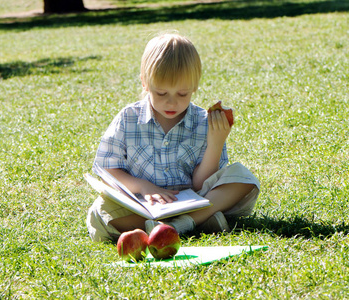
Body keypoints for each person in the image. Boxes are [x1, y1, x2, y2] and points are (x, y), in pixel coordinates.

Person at [87, 32, 260, 242]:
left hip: (193, 199)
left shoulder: (203, 122)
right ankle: (200, 221)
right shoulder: (128, 118)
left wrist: (216, 142)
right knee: (99, 213)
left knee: (243, 179)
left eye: (182, 94)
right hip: (144, 205)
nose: (171, 103)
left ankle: (180, 224)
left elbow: (201, 183)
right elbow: (107, 170)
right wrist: (144, 186)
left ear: (195, 87)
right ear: (145, 83)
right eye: (161, 93)